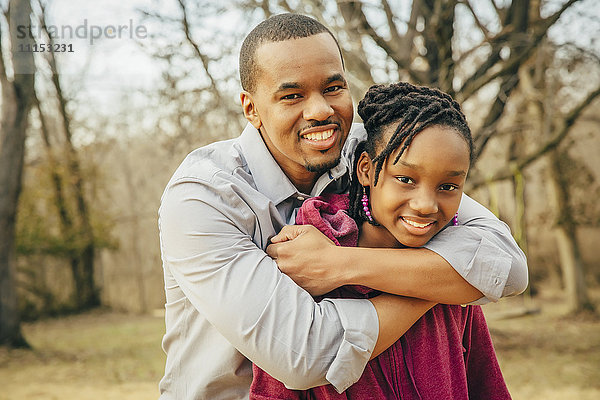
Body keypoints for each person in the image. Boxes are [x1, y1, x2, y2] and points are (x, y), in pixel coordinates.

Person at [158, 13, 527, 399]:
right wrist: (444, 285)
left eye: (333, 88)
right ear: (251, 109)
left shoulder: (365, 154)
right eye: (292, 95)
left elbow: (507, 266)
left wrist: (338, 265)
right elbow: (306, 356)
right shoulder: (203, 196)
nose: (320, 110)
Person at [250, 82, 512, 399]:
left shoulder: (451, 271)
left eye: (448, 186)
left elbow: (486, 384)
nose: (427, 204)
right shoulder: (305, 266)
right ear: (365, 170)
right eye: (405, 179)